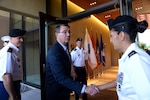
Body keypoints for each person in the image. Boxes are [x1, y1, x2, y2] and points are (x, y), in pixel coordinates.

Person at [97, 15, 150, 100]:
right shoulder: (128, 58)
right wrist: (99, 87)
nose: (110, 40)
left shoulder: (136, 61)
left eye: (111, 35)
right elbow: (121, 80)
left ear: (121, 35)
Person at [44, 23, 99, 100]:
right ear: (57, 34)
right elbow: (60, 78)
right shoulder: (54, 52)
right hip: (55, 93)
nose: (68, 34)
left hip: (64, 91)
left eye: (69, 32)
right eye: (65, 32)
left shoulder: (65, 49)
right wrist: (84, 88)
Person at [0, 29, 26, 100]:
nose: (22, 40)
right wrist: (12, 95)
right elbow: (6, 76)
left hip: (12, 85)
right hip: (8, 87)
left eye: (22, 38)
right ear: (11, 38)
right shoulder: (8, 53)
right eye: (19, 38)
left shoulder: (14, 51)